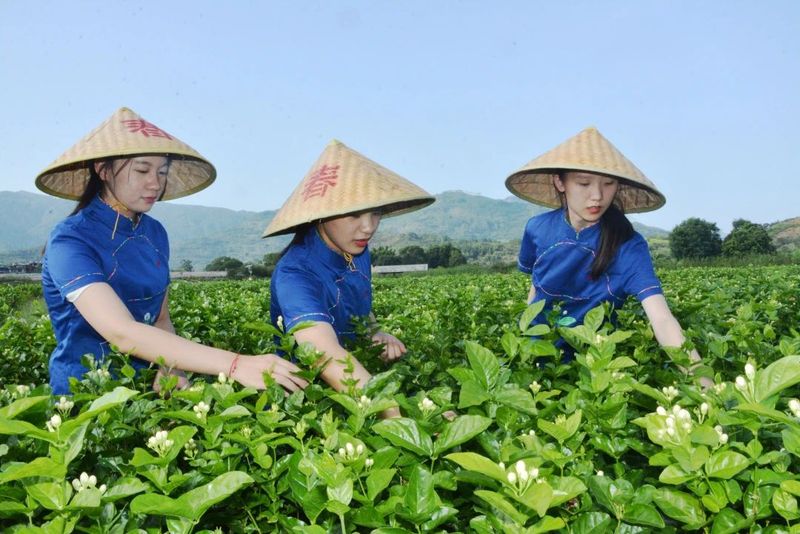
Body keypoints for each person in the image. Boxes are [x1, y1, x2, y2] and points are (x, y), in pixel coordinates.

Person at [36, 107, 307, 395]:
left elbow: (160, 317)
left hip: (149, 391)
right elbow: (121, 332)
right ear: (103, 169)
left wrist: (170, 367)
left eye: (162, 172)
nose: (155, 183)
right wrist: (236, 364)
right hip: (87, 392)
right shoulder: (70, 239)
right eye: (142, 170)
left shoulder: (154, 233)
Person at [505, 126, 708, 380]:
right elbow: (536, 285)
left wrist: (704, 386)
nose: (597, 196)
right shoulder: (537, 229)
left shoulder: (629, 246)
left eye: (608, 184)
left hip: (594, 365)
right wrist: (525, 331)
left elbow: (662, 320)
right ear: (560, 182)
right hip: (534, 356)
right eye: (583, 183)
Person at [264, 139, 434, 404]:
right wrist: (400, 413)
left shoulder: (357, 249)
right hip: (309, 397)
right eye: (353, 214)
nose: (368, 227)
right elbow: (323, 353)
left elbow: (360, 308)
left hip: (359, 379)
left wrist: (375, 333)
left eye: (375, 213)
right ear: (322, 214)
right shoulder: (295, 274)